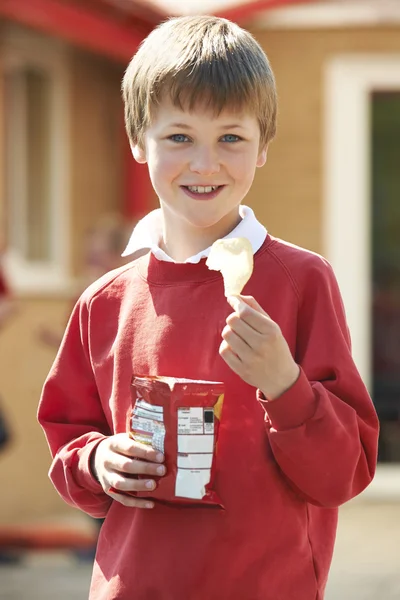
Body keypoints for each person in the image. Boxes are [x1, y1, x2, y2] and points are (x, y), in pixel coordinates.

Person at [38, 16, 379, 600]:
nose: (204, 163)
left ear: (263, 146)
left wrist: (287, 385)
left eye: (230, 138)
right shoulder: (105, 301)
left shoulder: (302, 282)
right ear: (138, 141)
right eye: (179, 137)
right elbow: (71, 444)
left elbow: (342, 474)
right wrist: (98, 463)